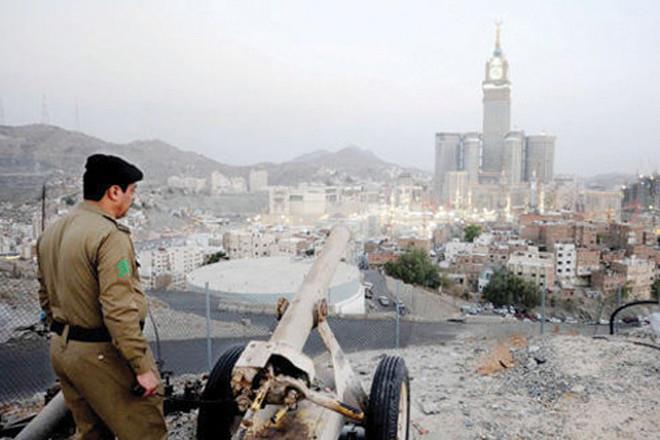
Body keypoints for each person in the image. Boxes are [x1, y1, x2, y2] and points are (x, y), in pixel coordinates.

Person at [37, 154, 167, 439]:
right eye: (131, 191)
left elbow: (45, 297)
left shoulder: (53, 231)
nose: (132, 199)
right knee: (146, 429)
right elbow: (118, 308)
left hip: (63, 349)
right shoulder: (110, 236)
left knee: (92, 432)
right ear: (114, 191)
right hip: (101, 353)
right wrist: (141, 366)